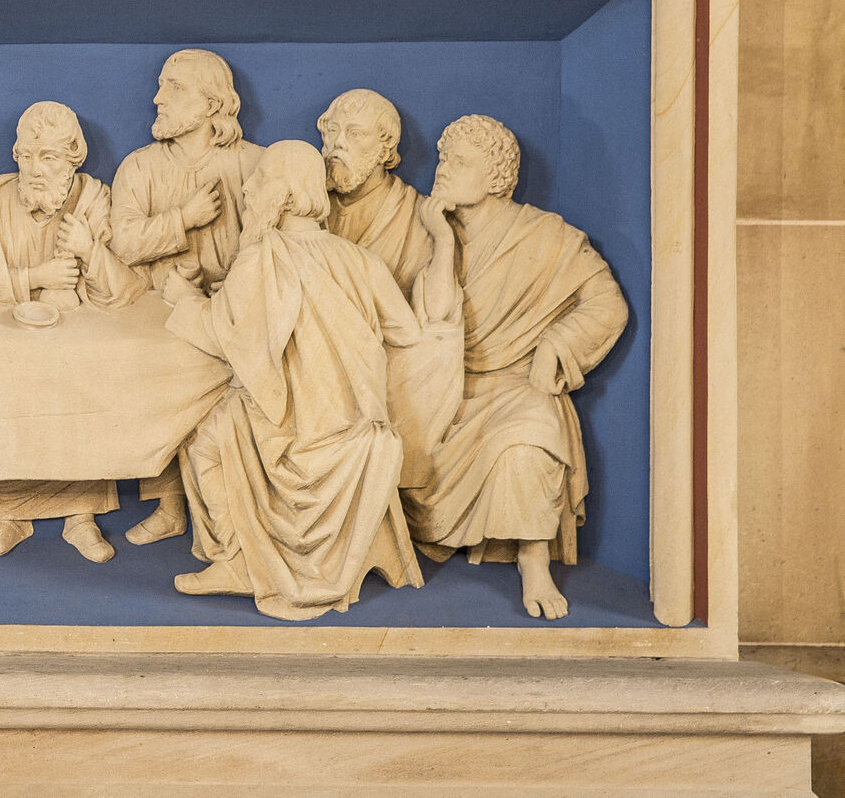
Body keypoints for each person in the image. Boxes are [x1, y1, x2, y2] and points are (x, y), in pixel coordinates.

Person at [159, 141, 454, 620]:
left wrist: (183, 298)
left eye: (260, 180)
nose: (248, 190)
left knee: (201, 440)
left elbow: (221, 335)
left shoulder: (262, 258)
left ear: (286, 194)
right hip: (354, 433)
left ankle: (236, 559)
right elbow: (405, 332)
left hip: (290, 435)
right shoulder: (361, 261)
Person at [404, 115, 628, 620]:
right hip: (442, 385)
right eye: (443, 158)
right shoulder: (427, 233)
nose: (444, 169)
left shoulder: (547, 237)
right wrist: (441, 243)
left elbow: (606, 304)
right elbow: (429, 321)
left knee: (530, 434)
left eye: (460, 162)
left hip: (517, 383)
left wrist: (557, 344)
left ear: (495, 176)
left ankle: (533, 559)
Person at [0, 101, 145, 561]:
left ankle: (80, 517)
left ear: (73, 159)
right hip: (8, 341)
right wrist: (31, 278)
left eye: (49, 157)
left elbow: (125, 291)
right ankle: (9, 516)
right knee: (2, 392)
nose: (35, 169)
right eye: (27, 156)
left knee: (83, 391)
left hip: (75, 343)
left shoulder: (94, 200)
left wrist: (90, 251)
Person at [109, 47, 262, 545]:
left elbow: (276, 246)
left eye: (173, 88)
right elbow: (125, 243)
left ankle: (237, 519)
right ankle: (170, 505)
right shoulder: (140, 166)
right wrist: (183, 220)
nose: (158, 99)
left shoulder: (253, 164)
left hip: (236, 315)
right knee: (154, 388)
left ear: (211, 103)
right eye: (161, 86)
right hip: (163, 310)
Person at [319, 88, 434, 293]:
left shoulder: (418, 216)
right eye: (333, 131)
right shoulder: (309, 208)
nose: (338, 142)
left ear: (385, 149)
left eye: (355, 134)